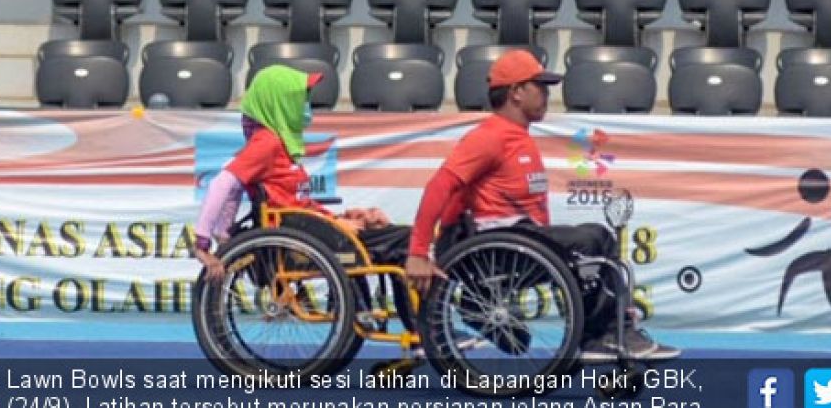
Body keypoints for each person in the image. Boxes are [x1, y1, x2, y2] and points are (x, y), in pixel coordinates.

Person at [404, 49, 679, 361]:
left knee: (594, 241)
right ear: (517, 92)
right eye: (541, 86)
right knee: (593, 240)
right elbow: (441, 187)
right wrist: (420, 252)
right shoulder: (489, 137)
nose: (548, 94)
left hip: (517, 238)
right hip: (499, 245)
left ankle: (607, 333)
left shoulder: (517, 137)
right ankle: (606, 336)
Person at [194, 64, 409, 280]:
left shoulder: (281, 142)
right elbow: (223, 184)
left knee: (386, 230)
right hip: (305, 236)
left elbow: (294, 201)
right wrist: (204, 243)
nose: (306, 106)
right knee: (405, 239)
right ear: (280, 102)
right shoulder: (266, 143)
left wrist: (341, 218)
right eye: (301, 99)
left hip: (313, 229)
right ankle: (419, 312)